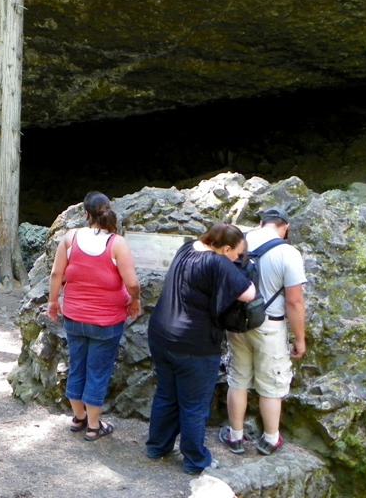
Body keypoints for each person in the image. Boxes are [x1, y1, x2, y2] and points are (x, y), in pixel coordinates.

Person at [146, 222, 255, 474]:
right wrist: (242, 267)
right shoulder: (217, 263)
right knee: (194, 405)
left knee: (166, 394)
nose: (237, 258)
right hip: (194, 343)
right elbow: (249, 293)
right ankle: (196, 460)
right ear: (225, 248)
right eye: (237, 254)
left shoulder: (185, 249)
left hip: (161, 335)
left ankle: (157, 446)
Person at [47, 191, 141, 441]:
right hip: (107, 321)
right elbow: (132, 283)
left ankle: (78, 418)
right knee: (98, 371)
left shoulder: (71, 238)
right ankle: (93, 425)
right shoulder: (116, 243)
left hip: (75, 317)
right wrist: (135, 299)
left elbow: (57, 274)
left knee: (77, 366)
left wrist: (53, 301)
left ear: (86, 214)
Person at [220, 207, 307, 456]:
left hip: (237, 322)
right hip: (270, 325)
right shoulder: (288, 253)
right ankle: (270, 439)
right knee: (271, 384)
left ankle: (235, 436)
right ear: (285, 226)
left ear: (261, 223)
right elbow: (294, 301)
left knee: (238, 378)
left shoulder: (240, 240)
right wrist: (299, 338)